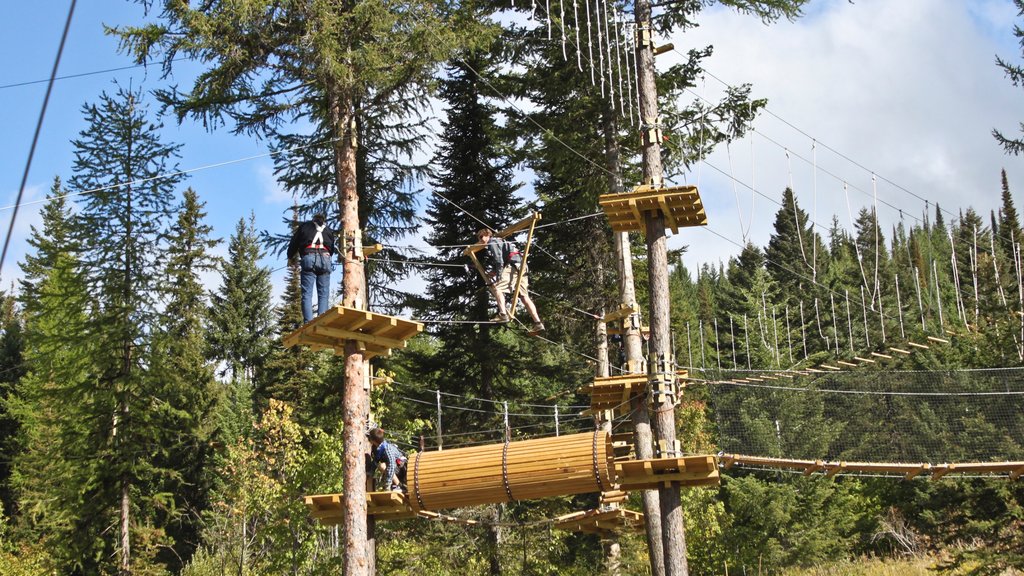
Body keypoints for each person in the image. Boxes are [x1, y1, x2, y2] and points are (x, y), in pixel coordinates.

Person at [476, 228, 544, 334]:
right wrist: (495, 271)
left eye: (481, 238)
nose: (480, 241)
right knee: (524, 297)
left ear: (486, 235)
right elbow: (503, 259)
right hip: (521, 266)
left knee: (497, 288)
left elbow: (499, 260)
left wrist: (498, 276)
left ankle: (503, 314)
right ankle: (538, 323)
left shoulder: (493, 241)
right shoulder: (501, 241)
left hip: (513, 266)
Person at [287, 213, 336, 323]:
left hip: (309, 258)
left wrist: (290, 257)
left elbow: (294, 242)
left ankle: (308, 322)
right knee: (323, 294)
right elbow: (332, 248)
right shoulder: (328, 230)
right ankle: (322, 321)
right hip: (325, 259)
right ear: (323, 220)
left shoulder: (305, 227)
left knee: (307, 293)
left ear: (313, 219)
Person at [367, 427, 408, 492]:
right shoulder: (376, 448)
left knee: (382, 466)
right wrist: (370, 473)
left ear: (374, 440)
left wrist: (387, 484)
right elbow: (375, 461)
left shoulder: (387, 449)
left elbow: (392, 465)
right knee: (382, 467)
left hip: (401, 469)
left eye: (370, 438)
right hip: (394, 469)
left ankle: (400, 486)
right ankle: (395, 485)